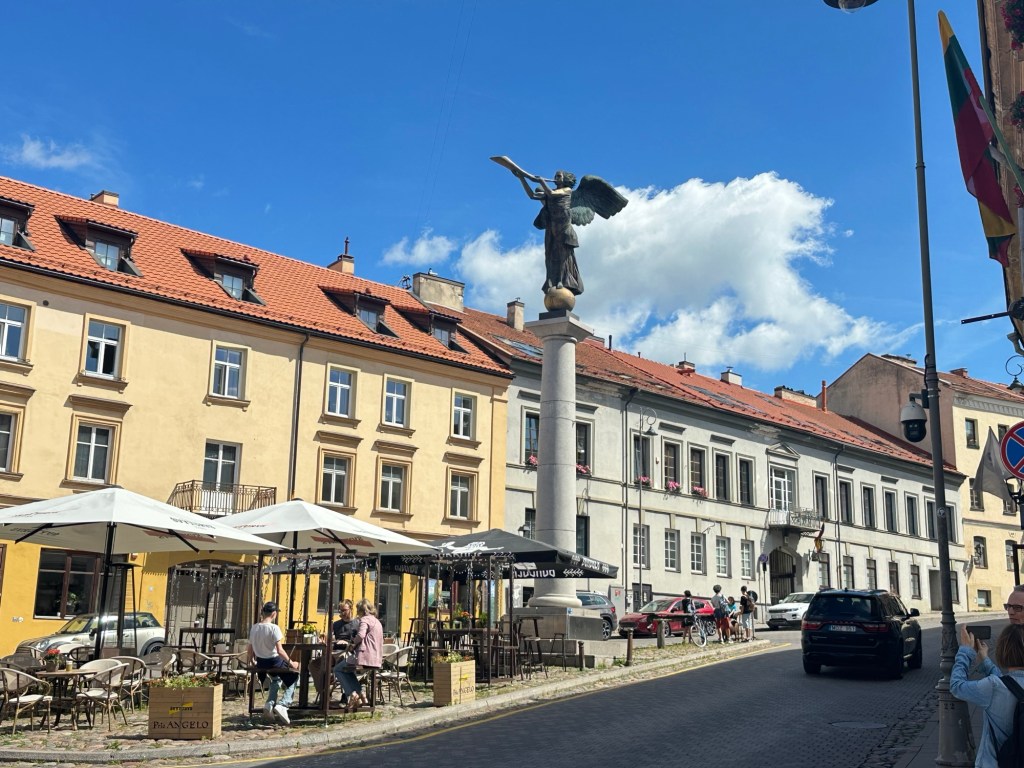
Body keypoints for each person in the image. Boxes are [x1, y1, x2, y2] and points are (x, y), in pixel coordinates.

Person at [951, 623, 1024, 766]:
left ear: (1003, 650)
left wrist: (965, 651)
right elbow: (1010, 685)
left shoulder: (994, 687)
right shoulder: (997, 685)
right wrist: (985, 661)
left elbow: (957, 686)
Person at [519, 170, 583, 297]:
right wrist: (522, 178)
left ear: (565, 179)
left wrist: (541, 181)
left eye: (559, 176)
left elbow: (552, 194)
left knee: (563, 255)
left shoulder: (567, 190)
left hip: (564, 227)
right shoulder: (550, 192)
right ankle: (551, 280)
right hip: (552, 226)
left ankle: (562, 280)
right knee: (550, 254)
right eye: (555, 176)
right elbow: (532, 195)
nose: (556, 178)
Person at [247, 601, 299, 725]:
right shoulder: (274, 628)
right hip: (274, 661)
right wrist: (291, 663)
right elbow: (280, 650)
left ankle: (269, 704)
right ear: (274, 613)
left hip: (261, 662)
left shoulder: (254, 628)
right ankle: (283, 704)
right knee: (295, 677)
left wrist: (252, 661)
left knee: (276, 679)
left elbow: (250, 649)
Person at [334, 598, 384, 712]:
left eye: (358, 610)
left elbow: (361, 635)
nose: (357, 612)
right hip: (376, 658)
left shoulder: (365, 620)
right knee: (348, 670)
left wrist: (352, 644)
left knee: (337, 669)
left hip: (364, 656)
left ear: (362, 610)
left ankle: (352, 694)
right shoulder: (377, 621)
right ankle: (361, 694)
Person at [310, 600, 361, 694]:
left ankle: (347, 693)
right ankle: (323, 692)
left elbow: (359, 641)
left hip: (348, 652)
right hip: (334, 652)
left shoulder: (357, 624)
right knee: (314, 665)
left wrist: (347, 643)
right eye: (340, 610)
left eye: (344, 610)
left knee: (343, 662)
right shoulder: (336, 624)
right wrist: (325, 640)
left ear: (351, 609)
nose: (342, 613)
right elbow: (330, 637)